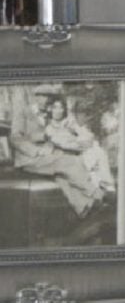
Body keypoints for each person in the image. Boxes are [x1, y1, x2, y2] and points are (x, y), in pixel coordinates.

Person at [8, 85, 103, 217]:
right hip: (28, 158)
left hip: (47, 157)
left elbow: (62, 131)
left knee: (62, 175)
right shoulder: (23, 112)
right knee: (69, 162)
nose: (47, 101)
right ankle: (96, 193)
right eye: (44, 97)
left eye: (50, 98)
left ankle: (84, 208)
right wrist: (37, 150)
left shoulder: (49, 113)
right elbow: (15, 138)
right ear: (36, 97)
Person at [45, 95, 115, 194]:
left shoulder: (69, 123)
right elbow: (62, 144)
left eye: (61, 107)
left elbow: (88, 136)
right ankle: (99, 184)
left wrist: (76, 129)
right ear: (50, 109)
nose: (58, 111)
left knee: (97, 150)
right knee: (91, 154)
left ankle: (103, 184)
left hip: (81, 150)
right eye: (55, 107)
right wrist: (79, 143)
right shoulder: (50, 128)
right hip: (66, 155)